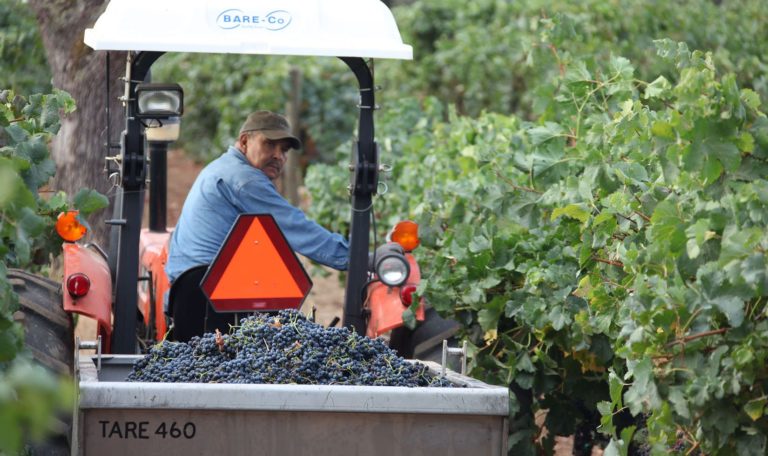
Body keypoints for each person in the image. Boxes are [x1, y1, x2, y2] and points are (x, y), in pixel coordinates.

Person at [165, 110, 349, 296]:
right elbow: (295, 227)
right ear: (245, 141)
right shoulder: (245, 180)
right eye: (269, 144)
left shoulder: (220, 166)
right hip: (208, 293)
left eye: (284, 150)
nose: (279, 156)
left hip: (186, 287)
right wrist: (355, 259)